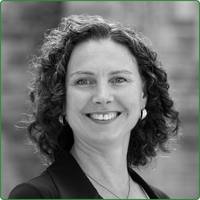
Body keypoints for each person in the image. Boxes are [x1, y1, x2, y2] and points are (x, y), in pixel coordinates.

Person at [8, 14, 180, 199]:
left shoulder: (159, 197)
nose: (102, 97)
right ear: (61, 100)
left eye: (119, 79)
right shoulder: (35, 196)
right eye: (83, 81)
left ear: (143, 95)